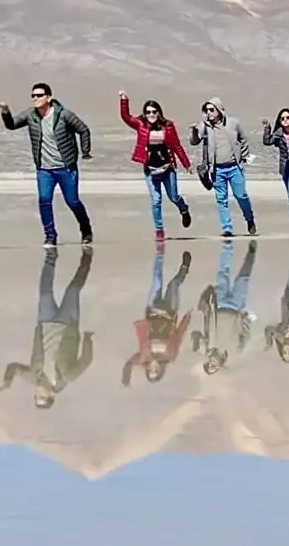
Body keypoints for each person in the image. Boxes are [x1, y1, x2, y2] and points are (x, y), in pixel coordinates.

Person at [0, 83, 93, 247]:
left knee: (73, 201)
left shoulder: (64, 115)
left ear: (49, 97)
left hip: (66, 167)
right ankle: (50, 235)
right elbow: (11, 125)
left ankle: (86, 229)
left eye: (39, 95)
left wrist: (85, 151)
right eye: (33, 95)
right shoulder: (30, 115)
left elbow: (83, 130)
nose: (35, 98)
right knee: (44, 200)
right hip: (44, 169)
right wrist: (5, 111)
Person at [0, 246, 95, 408]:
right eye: (41, 395)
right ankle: (87, 257)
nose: (38, 392)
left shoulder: (31, 376)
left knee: (44, 291)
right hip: (68, 324)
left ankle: (51, 256)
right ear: (51, 395)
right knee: (73, 289)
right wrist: (87, 338)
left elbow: (13, 367)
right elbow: (85, 360)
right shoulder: (68, 377)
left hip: (45, 322)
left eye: (36, 396)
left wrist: (7, 382)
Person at [119, 90, 193, 242]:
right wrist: (124, 100)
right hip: (150, 170)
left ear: (159, 112)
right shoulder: (141, 125)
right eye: (148, 112)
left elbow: (177, 146)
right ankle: (159, 230)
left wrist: (186, 163)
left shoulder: (168, 126)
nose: (151, 115)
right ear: (144, 114)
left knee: (173, 196)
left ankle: (183, 209)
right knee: (156, 200)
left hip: (167, 168)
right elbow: (126, 117)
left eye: (154, 112)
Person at [122, 244, 193, 387]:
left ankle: (160, 252)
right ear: (161, 370)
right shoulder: (170, 356)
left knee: (156, 280)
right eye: (156, 371)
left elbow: (129, 364)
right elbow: (178, 336)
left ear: (147, 369)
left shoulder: (142, 358)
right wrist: (187, 319)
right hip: (169, 313)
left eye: (150, 370)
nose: (153, 368)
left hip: (152, 311)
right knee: (173, 285)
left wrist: (126, 380)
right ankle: (184, 269)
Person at [190, 97, 256, 237]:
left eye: (211, 109)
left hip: (234, 167)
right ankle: (227, 228)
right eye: (206, 110)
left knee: (241, 195)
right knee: (221, 199)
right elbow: (194, 141)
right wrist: (195, 131)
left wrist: (243, 157)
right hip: (217, 169)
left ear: (219, 110)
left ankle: (249, 219)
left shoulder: (233, 123)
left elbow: (243, 139)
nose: (208, 113)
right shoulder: (204, 126)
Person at [193, 240, 258, 375]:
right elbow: (246, 336)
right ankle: (251, 253)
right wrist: (245, 320)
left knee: (223, 273)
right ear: (220, 365)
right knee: (243, 278)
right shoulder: (234, 352)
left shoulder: (207, 347)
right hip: (236, 307)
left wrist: (196, 344)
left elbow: (196, 334)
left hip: (219, 305)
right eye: (213, 367)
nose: (211, 363)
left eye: (209, 364)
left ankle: (227, 246)